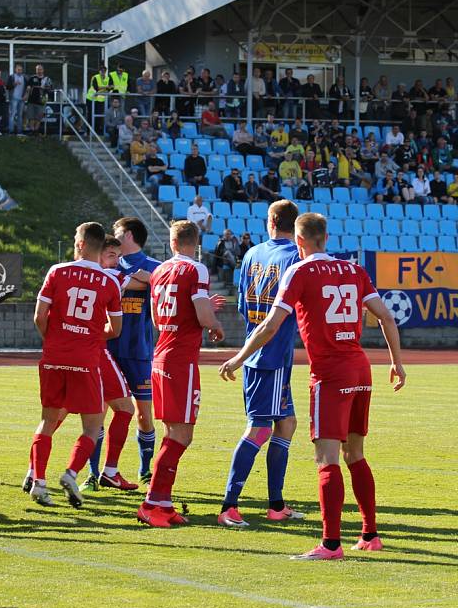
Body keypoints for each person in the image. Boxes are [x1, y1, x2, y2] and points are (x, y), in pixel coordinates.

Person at [219, 212, 406, 560]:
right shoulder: (354, 270)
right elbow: (387, 316)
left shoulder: (300, 271)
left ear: (299, 241)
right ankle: (370, 534)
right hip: (360, 368)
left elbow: (270, 326)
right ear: (326, 237)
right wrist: (396, 362)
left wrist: (239, 356)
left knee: (327, 458)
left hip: (331, 374)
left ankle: (331, 544)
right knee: (356, 453)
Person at [217, 200, 303, 528]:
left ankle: (276, 505)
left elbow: (242, 306)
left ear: (270, 222)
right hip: (272, 354)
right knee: (260, 428)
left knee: (287, 423)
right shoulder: (295, 256)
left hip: (260, 348)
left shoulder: (252, 254)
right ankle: (229, 505)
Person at [27, 222, 122, 507]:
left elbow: (39, 316)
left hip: (54, 356)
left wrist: (55, 338)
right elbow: (115, 329)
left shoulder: (57, 271)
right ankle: (70, 473)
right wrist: (89, 336)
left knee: (48, 420)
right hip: (86, 360)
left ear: (80, 244)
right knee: (92, 426)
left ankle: (38, 482)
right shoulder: (109, 282)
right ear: (100, 247)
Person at [137, 220, 224, 527]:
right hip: (181, 361)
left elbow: (158, 320)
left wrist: (201, 313)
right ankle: (151, 503)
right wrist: (214, 323)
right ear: (195, 242)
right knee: (182, 435)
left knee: (173, 433)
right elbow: (201, 314)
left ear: (172, 242)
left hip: (160, 355)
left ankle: (163, 502)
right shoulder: (196, 269)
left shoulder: (159, 271)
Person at [77, 235, 151, 493]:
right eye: (111, 256)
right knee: (117, 409)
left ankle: (41, 475)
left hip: (70, 350)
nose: (117, 262)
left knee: (60, 416)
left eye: (119, 257)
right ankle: (100, 472)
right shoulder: (112, 278)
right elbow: (148, 282)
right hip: (95, 351)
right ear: (97, 254)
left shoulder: (68, 272)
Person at [108, 217, 161, 484]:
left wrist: (148, 280)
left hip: (138, 350)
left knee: (143, 412)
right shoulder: (108, 262)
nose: (112, 234)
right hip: (108, 350)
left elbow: (161, 285)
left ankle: (144, 468)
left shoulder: (155, 267)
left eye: (116, 230)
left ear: (128, 234)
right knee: (100, 412)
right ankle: (98, 473)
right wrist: (138, 281)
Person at [25, 64, 52, 134]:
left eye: (40, 69)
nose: (39, 71)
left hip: (41, 101)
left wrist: (45, 88)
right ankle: (32, 130)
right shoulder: (32, 78)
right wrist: (28, 89)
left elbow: (50, 89)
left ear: (43, 70)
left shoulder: (47, 79)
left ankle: (36, 131)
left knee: (38, 118)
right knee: (31, 117)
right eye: (37, 69)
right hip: (31, 101)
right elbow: (28, 87)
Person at [86, 65, 113, 132]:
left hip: (100, 100)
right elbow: (96, 88)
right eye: (101, 71)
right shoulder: (95, 77)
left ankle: (97, 130)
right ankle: (89, 131)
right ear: (99, 71)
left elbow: (111, 87)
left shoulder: (107, 78)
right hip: (91, 99)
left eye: (104, 71)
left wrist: (105, 88)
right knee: (91, 115)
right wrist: (106, 87)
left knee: (99, 116)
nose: (103, 72)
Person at [6, 64, 26, 135]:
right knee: (12, 114)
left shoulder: (24, 77)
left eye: (21, 70)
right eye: (18, 69)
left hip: (21, 99)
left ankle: (19, 131)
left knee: (20, 115)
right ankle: (11, 131)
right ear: (15, 70)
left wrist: (25, 96)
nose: (20, 71)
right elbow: (7, 87)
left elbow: (27, 88)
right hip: (13, 98)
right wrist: (14, 84)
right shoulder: (11, 77)